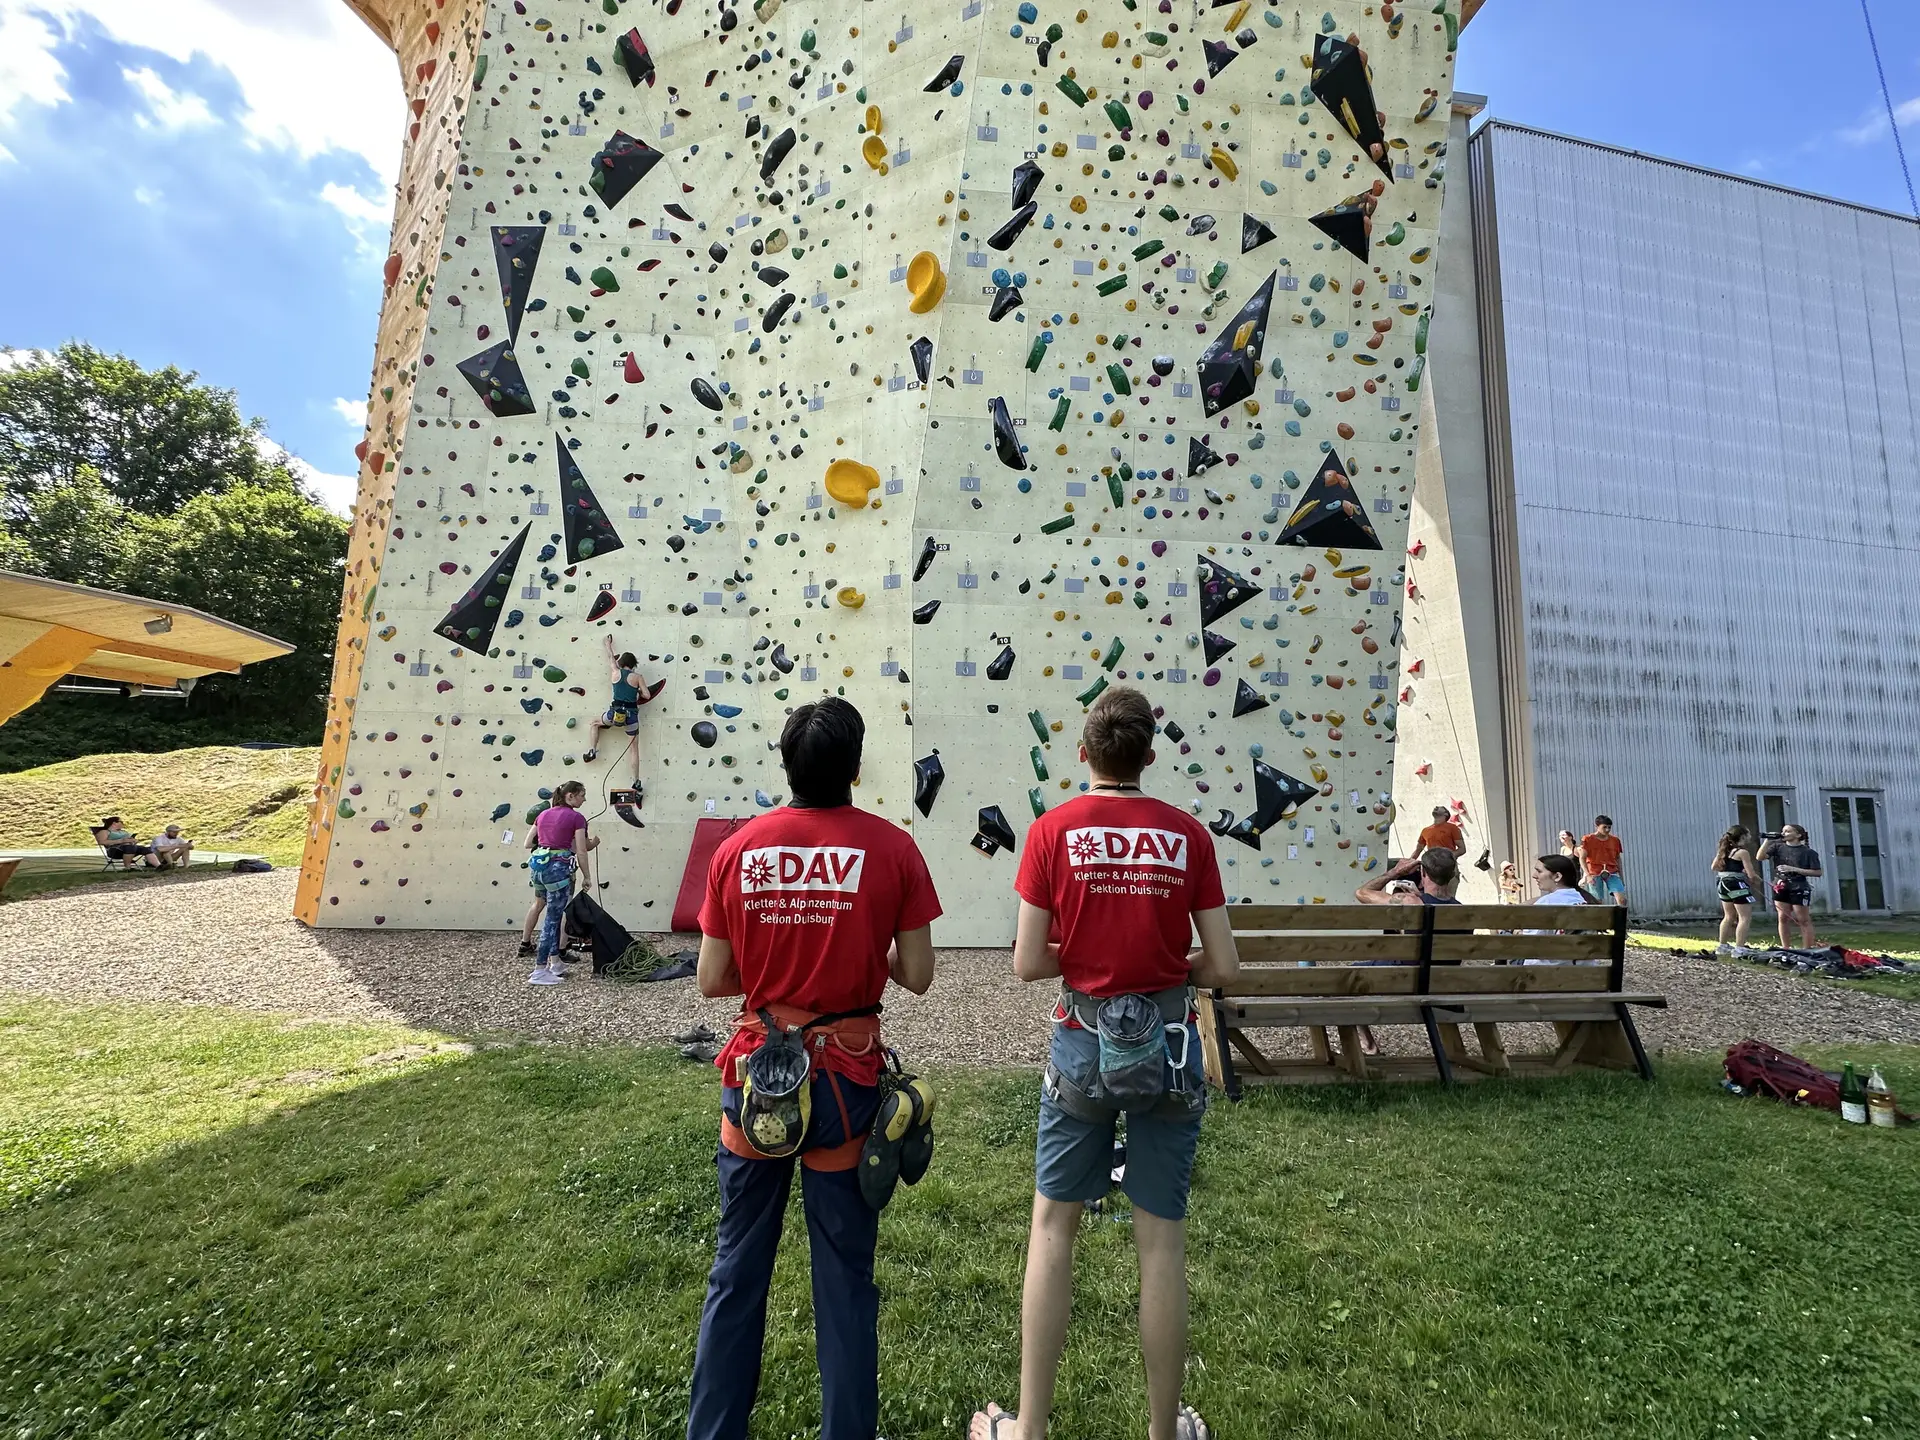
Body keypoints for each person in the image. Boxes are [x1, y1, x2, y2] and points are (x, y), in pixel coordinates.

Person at [971, 685, 1238, 1440]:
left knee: (1054, 1227)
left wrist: (1088, 954)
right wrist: (1162, 964)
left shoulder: (1053, 831)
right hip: (1170, 1050)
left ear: (1083, 754)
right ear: (1150, 757)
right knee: (1161, 1240)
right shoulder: (1188, 835)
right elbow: (1223, 963)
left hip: (1082, 1046)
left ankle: (1027, 1428)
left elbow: (1027, 962)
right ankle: (1163, 1432)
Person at [688, 697, 940, 1440]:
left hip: (760, 1077)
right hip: (844, 1081)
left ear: (785, 766)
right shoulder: (893, 850)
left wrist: (776, 979)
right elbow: (918, 973)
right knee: (843, 1280)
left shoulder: (739, 850)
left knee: (736, 1271)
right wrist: (858, 953)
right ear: (857, 769)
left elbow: (712, 978)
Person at [527, 780, 597, 984]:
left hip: (539, 868)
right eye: (582, 795)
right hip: (559, 870)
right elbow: (581, 850)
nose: (584, 799)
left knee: (549, 913)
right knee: (553, 919)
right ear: (570, 796)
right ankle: (540, 970)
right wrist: (587, 875)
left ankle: (555, 962)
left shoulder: (542, 815)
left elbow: (527, 843)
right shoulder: (576, 818)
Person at [583, 634, 663, 787]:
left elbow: (610, 657)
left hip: (614, 714)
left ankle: (592, 750)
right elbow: (646, 695)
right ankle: (636, 781)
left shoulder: (615, 672)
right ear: (633, 665)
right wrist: (638, 691)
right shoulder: (637, 677)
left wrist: (607, 643)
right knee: (634, 748)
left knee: (594, 723)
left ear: (622, 663)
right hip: (631, 716)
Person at [1758, 823, 1823, 950]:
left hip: (1799, 886)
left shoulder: (1808, 852)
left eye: (1788, 831)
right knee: (1782, 917)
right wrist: (1767, 840)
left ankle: (1807, 948)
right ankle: (1786, 947)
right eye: (1783, 831)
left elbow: (1817, 872)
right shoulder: (1777, 847)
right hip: (1781, 885)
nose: (1784, 833)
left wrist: (1793, 869)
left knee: (1802, 919)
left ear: (1798, 835)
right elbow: (1759, 857)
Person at [1712, 825, 1763, 957]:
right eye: (1749, 834)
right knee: (1744, 917)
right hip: (1736, 884)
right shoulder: (1742, 852)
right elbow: (1751, 875)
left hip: (1722, 883)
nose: (1750, 837)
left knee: (1728, 916)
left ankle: (1722, 946)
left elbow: (1714, 867)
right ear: (1743, 836)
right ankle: (1739, 948)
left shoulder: (1724, 851)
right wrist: (1756, 880)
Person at [1578, 815, 1626, 909]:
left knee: (1622, 899)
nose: (1607, 830)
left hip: (1612, 871)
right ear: (1597, 826)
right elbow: (1582, 858)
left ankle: (1621, 920)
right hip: (1594, 872)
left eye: (1609, 827)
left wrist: (1621, 877)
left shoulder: (1615, 840)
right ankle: (1599, 920)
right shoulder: (1587, 839)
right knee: (1597, 901)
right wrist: (1587, 875)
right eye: (1604, 827)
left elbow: (1617, 858)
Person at [93, 817, 162, 870]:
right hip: (114, 850)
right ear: (114, 823)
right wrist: (121, 841)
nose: (123, 823)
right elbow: (101, 842)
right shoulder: (105, 831)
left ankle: (159, 866)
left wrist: (133, 840)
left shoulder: (124, 832)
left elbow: (128, 840)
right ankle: (128, 868)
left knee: (145, 849)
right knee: (130, 848)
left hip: (129, 847)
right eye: (121, 822)